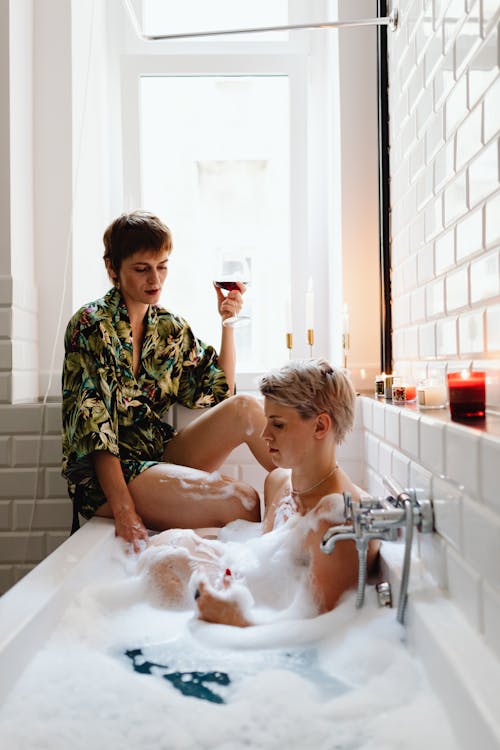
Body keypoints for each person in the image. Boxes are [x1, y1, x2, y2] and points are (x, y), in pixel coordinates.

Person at [62, 210, 274, 550]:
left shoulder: (168, 329)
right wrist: (125, 511)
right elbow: (94, 431)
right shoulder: (91, 325)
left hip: (158, 454)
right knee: (243, 501)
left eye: (162, 266)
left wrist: (228, 322)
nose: (155, 279)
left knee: (247, 409)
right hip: (107, 479)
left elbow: (221, 392)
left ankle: (316, 499)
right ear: (112, 268)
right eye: (142, 268)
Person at [139, 359, 379, 626]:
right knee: (171, 550)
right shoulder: (281, 485)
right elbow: (258, 557)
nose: (264, 435)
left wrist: (236, 617)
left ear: (321, 426)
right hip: (254, 614)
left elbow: (320, 632)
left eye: (278, 425)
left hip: (273, 650)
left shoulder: (339, 525)